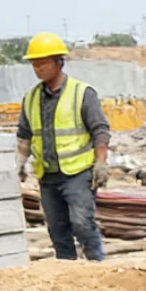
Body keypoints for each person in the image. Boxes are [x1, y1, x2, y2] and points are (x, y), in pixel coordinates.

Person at [15, 32, 110, 262]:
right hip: (47, 175)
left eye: (43, 63)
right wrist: (19, 164)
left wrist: (100, 164)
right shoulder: (31, 98)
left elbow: (100, 130)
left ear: (59, 62)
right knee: (57, 230)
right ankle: (66, 273)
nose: (38, 69)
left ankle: (99, 267)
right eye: (34, 64)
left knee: (82, 223)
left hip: (77, 174)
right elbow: (25, 136)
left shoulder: (81, 93)